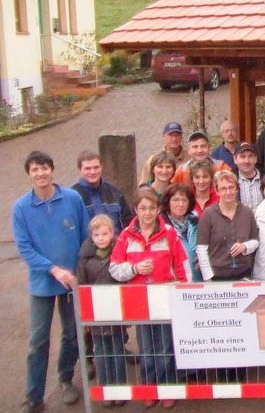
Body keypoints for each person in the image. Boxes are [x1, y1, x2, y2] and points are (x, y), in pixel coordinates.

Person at [13, 151, 89, 413]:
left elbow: (85, 236)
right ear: (29, 174)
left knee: (71, 333)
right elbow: (25, 248)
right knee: (38, 340)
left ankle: (66, 379)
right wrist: (54, 270)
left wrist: (79, 271)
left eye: (44, 168)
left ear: (52, 170)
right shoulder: (21, 208)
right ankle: (33, 397)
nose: (40, 173)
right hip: (42, 282)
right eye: (35, 170)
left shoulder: (72, 198)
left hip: (72, 281)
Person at [110, 186, 190, 410]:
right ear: (135, 209)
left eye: (151, 208)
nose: (147, 213)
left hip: (165, 299)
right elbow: (114, 268)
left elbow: (182, 265)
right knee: (146, 348)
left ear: (158, 209)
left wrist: (183, 289)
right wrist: (134, 269)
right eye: (142, 208)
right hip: (140, 301)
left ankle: (167, 389)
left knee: (165, 348)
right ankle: (149, 389)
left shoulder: (169, 233)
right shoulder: (125, 236)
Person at [76, 215, 127, 409]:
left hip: (116, 311)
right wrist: (85, 316)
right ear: (91, 236)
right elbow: (81, 286)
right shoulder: (85, 258)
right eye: (96, 235)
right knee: (102, 352)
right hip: (96, 313)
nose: (101, 238)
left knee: (117, 350)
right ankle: (105, 388)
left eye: (105, 233)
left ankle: (120, 388)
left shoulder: (119, 252)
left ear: (112, 233)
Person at [196, 171, 259, 281]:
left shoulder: (247, 212)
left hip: (243, 274)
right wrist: (208, 278)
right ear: (216, 191)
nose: (228, 192)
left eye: (231, 187)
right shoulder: (208, 214)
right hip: (217, 276)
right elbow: (201, 248)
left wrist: (245, 246)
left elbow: (256, 240)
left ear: (237, 189)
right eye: (223, 189)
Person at [72, 150, 133, 235]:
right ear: (79, 169)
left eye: (96, 167)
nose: (92, 172)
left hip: (115, 246)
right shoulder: (73, 197)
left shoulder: (115, 193)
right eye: (87, 168)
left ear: (102, 167)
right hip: (87, 247)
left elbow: (128, 224)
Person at [162, 184, 202, 282]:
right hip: (173, 282)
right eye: (175, 200)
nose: (180, 204)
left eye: (184, 200)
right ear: (168, 202)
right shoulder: (161, 226)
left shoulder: (197, 223)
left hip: (198, 280)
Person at [235, 142, 264, 211]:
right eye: (242, 156)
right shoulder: (231, 182)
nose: (246, 161)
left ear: (255, 159)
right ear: (235, 159)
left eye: (250, 156)